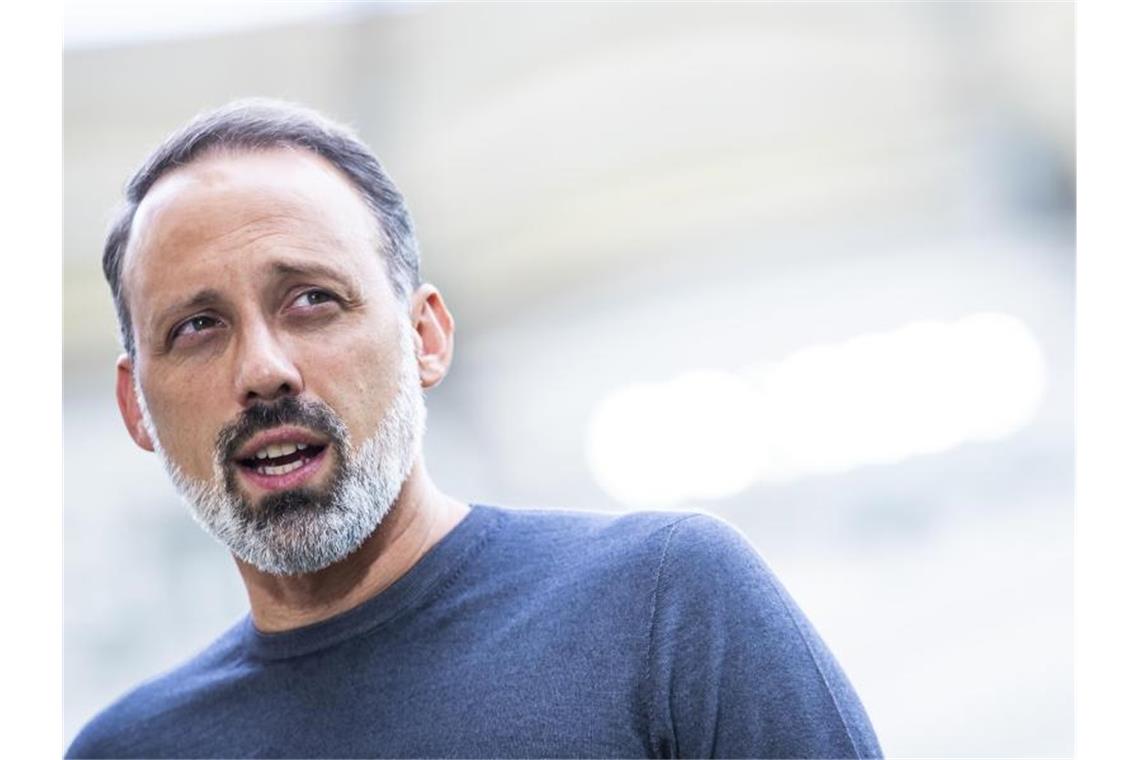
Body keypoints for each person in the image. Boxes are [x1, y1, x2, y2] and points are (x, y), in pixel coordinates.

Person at [66, 99, 882, 759]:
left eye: (312, 299)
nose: (264, 369)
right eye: (198, 327)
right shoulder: (128, 750)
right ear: (137, 405)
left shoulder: (665, 607)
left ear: (424, 337)